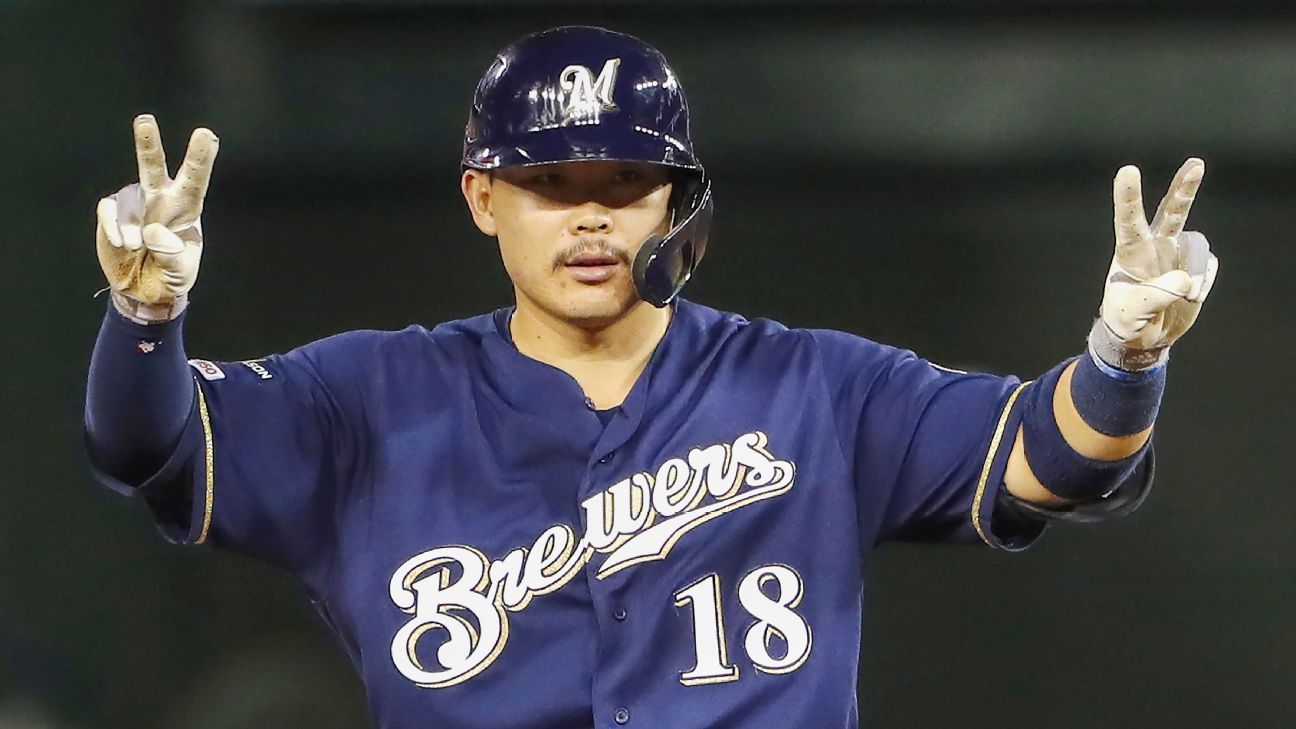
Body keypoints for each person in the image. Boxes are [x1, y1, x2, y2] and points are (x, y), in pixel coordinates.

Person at [85, 25, 1218, 729]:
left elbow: (1052, 457)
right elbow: (149, 445)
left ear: (677, 206)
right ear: (484, 199)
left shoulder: (811, 388)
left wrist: (1124, 360)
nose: (588, 213)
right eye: (550, 181)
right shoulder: (368, 401)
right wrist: (145, 314)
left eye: (624, 182)